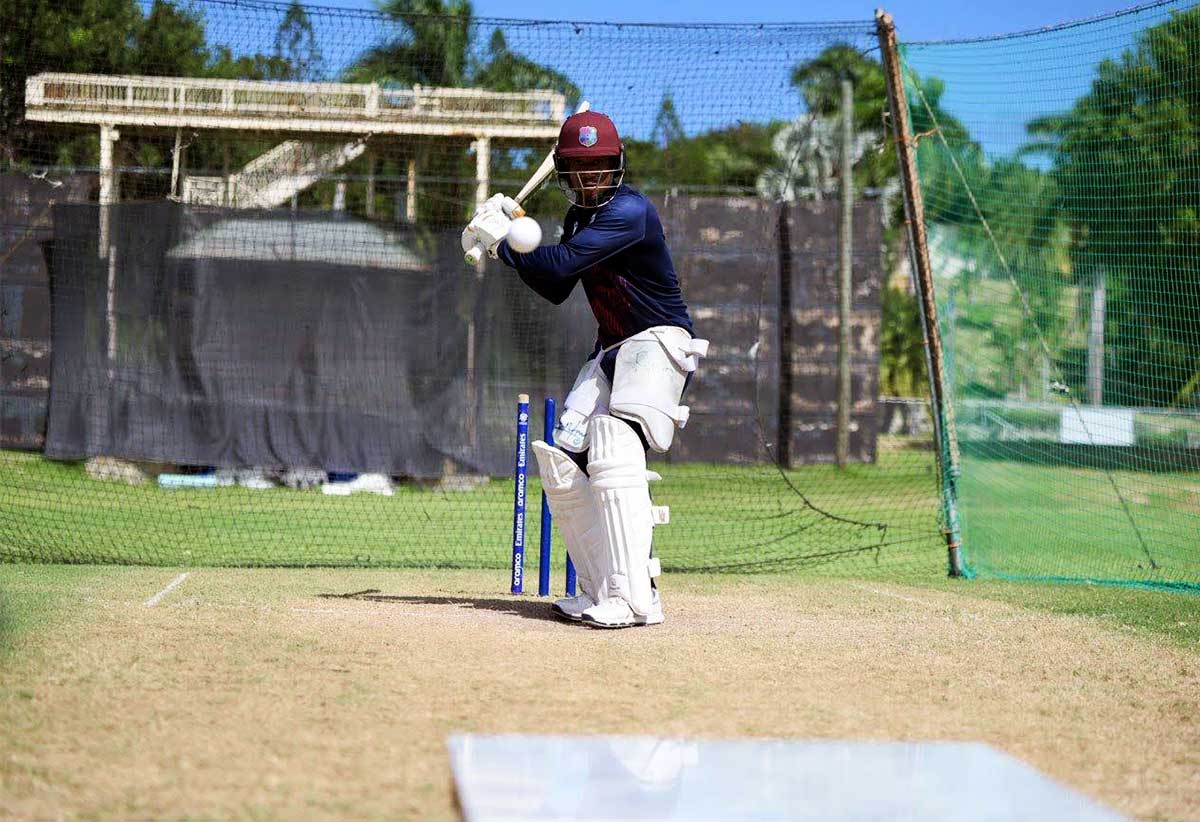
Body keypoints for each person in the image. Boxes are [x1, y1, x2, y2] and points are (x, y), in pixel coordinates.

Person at [460, 111, 707, 629]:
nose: (592, 176)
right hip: (612, 347)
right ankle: (600, 590)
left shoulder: (630, 211)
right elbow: (554, 287)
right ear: (567, 172)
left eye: (600, 166)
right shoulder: (577, 220)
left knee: (612, 443)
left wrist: (504, 240)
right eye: (581, 166)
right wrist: (502, 247)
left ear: (615, 165)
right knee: (563, 462)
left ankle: (638, 598)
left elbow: (558, 264)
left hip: (658, 339)